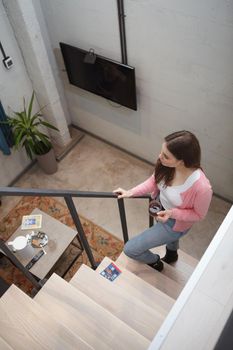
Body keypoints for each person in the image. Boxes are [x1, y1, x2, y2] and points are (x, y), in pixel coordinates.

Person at [113, 130, 212, 272]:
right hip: (161, 208)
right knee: (170, 240)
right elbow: (153, 181)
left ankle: (155, 262)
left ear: (182, 161)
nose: (160, 157)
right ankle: (172, 253)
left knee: (131, 249)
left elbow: (199, 215)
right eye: (161, 152)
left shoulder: (202, 188)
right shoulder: (167, 165)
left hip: (174, 223)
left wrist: (172, 214)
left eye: (165, 156)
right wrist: (131, 192)